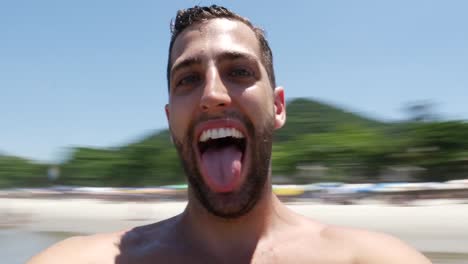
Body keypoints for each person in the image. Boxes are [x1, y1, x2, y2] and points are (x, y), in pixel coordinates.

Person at [29, 5, 431, 264]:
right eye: (187, 79)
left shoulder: (371, 258)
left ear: (277, 107)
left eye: (238, 71)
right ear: (171, 121)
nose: (213, 96)